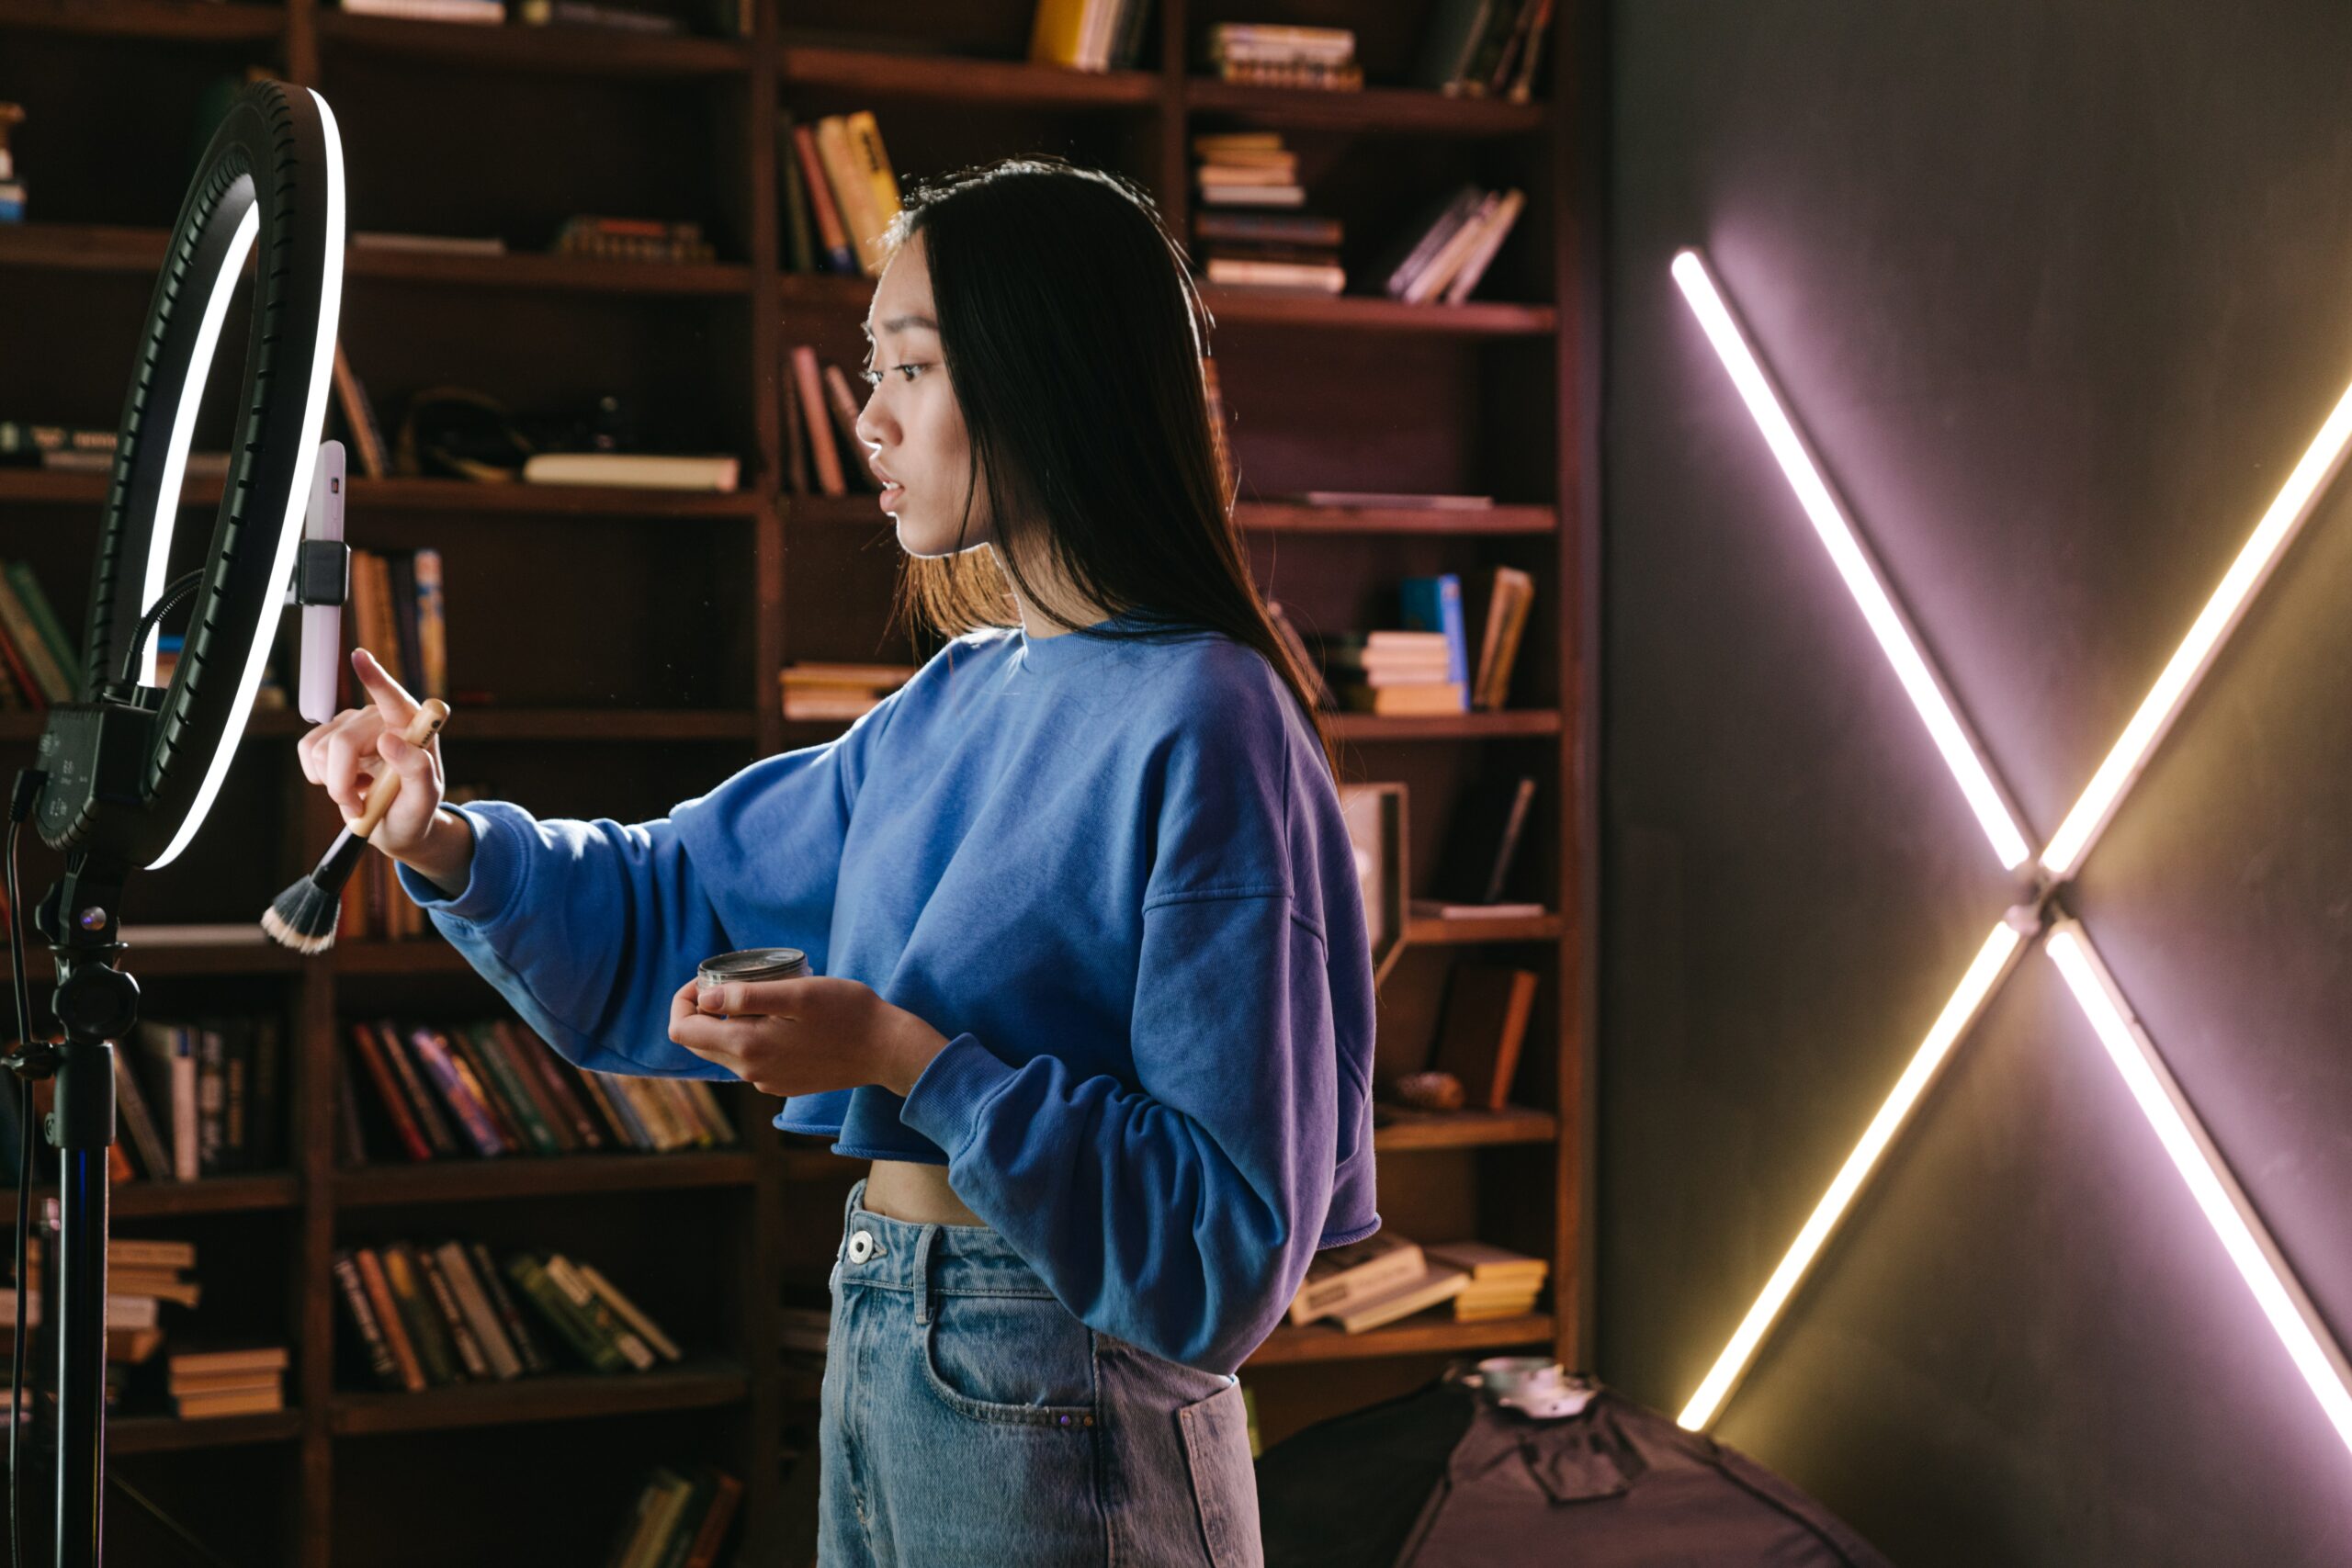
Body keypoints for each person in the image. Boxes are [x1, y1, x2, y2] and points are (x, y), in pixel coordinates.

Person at [295, 156, 1378, 1567]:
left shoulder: (1210, 716)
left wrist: (902, 1056)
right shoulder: (957, 698)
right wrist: (434, 829)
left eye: (912, 370)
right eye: (872, 366)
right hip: (887, 1346)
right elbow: (669, 901)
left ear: (1047, 376)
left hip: (1073, 1398)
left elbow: (1222, 1243)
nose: (867, 419)